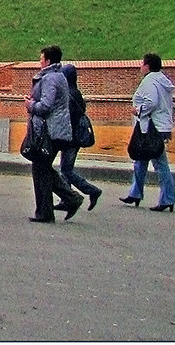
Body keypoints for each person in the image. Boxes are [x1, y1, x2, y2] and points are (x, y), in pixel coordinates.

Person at [24, 45, 84, 222]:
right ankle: (65, 201)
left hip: (50, 130)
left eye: (41, 58)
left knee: (40, 168)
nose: (39, 61)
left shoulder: (50, 78)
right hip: (57, 129)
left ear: (48, 61)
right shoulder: (59, 76)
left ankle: (52, 208)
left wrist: (31, 105)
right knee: (43, 168)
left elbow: (46, 106)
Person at [122, 53, 175, 212]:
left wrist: (138, 110)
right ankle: (135, 193)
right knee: (141, 160)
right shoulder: (163, 81)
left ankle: (168, 197)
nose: (140, 67)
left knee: (159, 163)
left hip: (151, 129)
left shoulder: (149, 81)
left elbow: (151, 101)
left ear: (147, 66)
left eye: (142, 64)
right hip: (162, 126)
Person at [56, 63, 102, 211]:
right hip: (75, 137)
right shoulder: (76, 92)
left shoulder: (69, 94)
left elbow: (67, 117)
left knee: (66, 170)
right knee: (65, 168)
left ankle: (91, 191)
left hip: (71, 137)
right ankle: (66, 199)